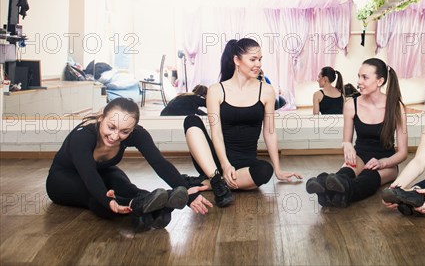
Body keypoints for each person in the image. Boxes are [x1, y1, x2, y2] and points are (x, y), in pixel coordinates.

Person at [46, 98, 213, 231]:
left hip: (102, 171)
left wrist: (187, 192)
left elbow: (159, 163)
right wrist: (107, 200)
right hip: (63, 179)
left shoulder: (136, 134)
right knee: (97, 196)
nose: (115, 136)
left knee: (129, 188)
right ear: (101, 118)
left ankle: (156, 206)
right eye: (111, 127)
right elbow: (89, 175)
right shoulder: (83, 137)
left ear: (132, 129)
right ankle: (136, 207)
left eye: (124, 132)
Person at [183, 38, 302, 208]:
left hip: (245, 165)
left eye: (260, 59)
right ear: (237, 60)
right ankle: (216, 179)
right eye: (253, 59)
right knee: (191, 121)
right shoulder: (217, 90)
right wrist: (224, 165)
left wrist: (278, 169)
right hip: (215, 163)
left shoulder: (266, 90)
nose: (258, 64)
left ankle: (211, 184)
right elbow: (215, 133)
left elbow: (269, 132)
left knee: (264, 171)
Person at [306, 58, 408, 208]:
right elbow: (346, 141)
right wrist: (346, 145)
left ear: (379, 81)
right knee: (343, 175)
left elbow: (403, 153)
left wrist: (382, 163)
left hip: (386, 162)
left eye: (365, 77)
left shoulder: (396, 107)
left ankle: (327, 191)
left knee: (367, 179)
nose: (359, 81)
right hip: (359, 156)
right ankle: (325, 189)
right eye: (359, 76)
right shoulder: (351, 105)